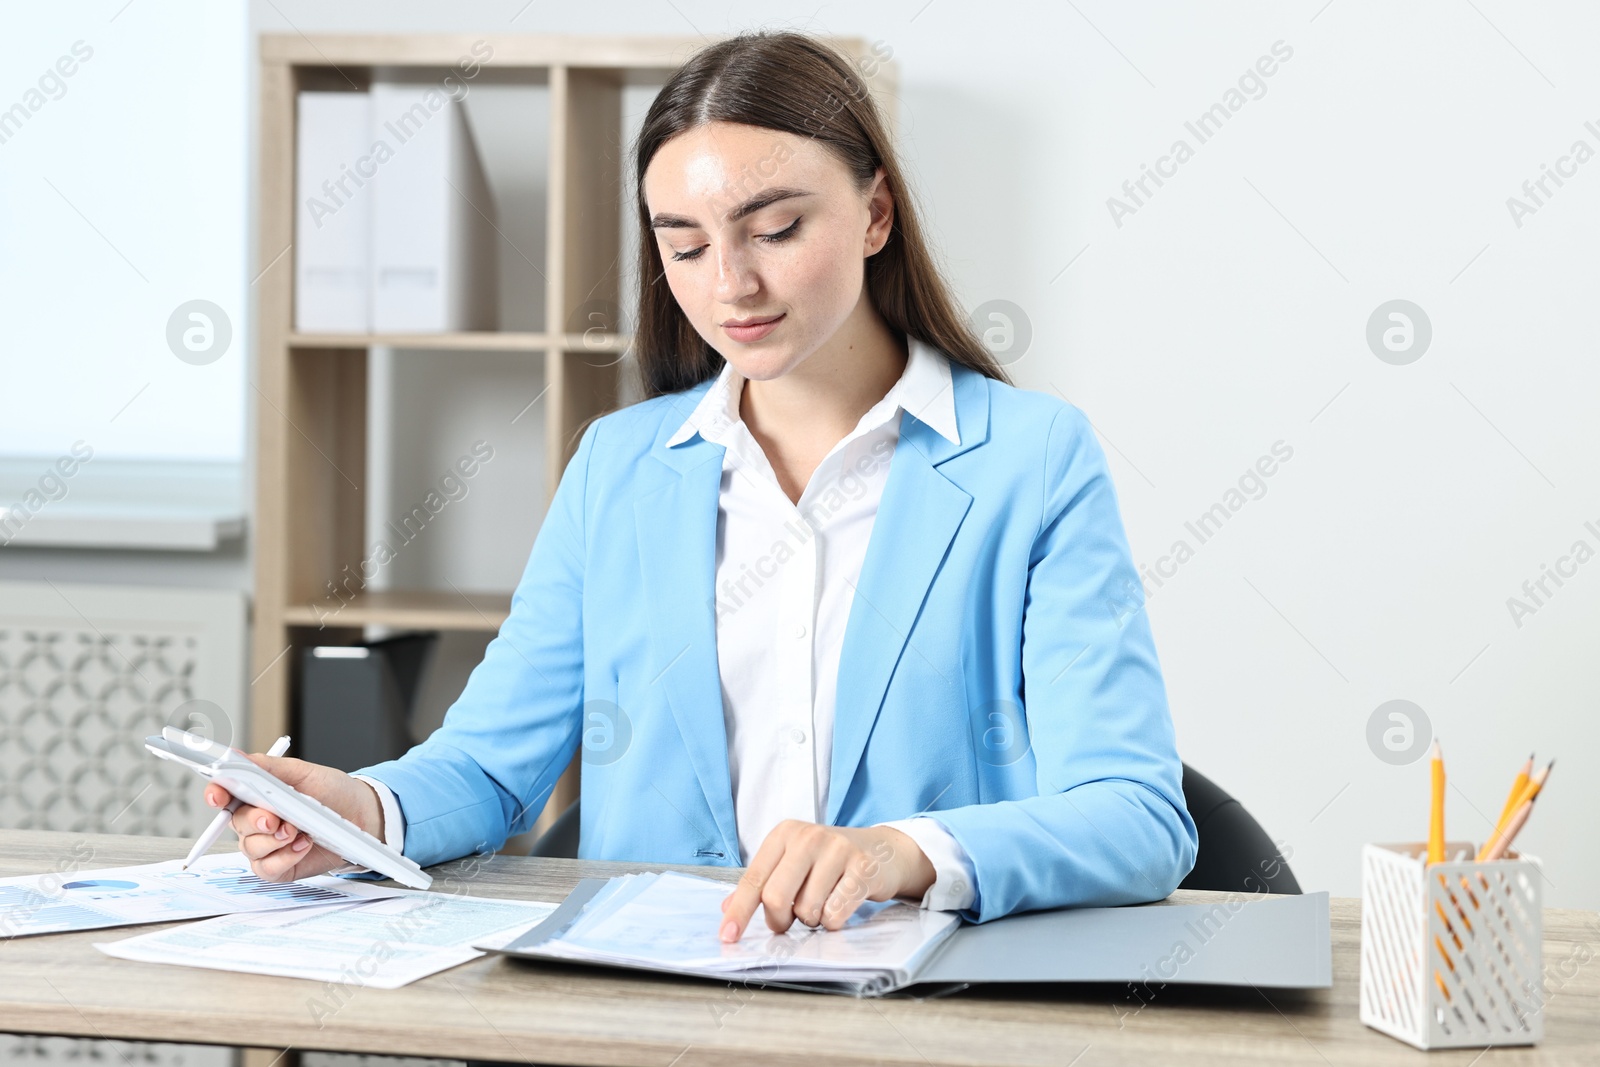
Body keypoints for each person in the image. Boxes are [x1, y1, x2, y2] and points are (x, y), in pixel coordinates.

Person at [205, 29, 1198, 942]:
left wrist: (899, 851)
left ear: (875, 214)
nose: (729, 284)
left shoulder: (1031, 457)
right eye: (684, 245)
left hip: (924, 1008)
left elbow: (1135, 813)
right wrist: (358, 813)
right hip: (657, 1002)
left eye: (772, 229)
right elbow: (488, 763)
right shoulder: (619, 467)